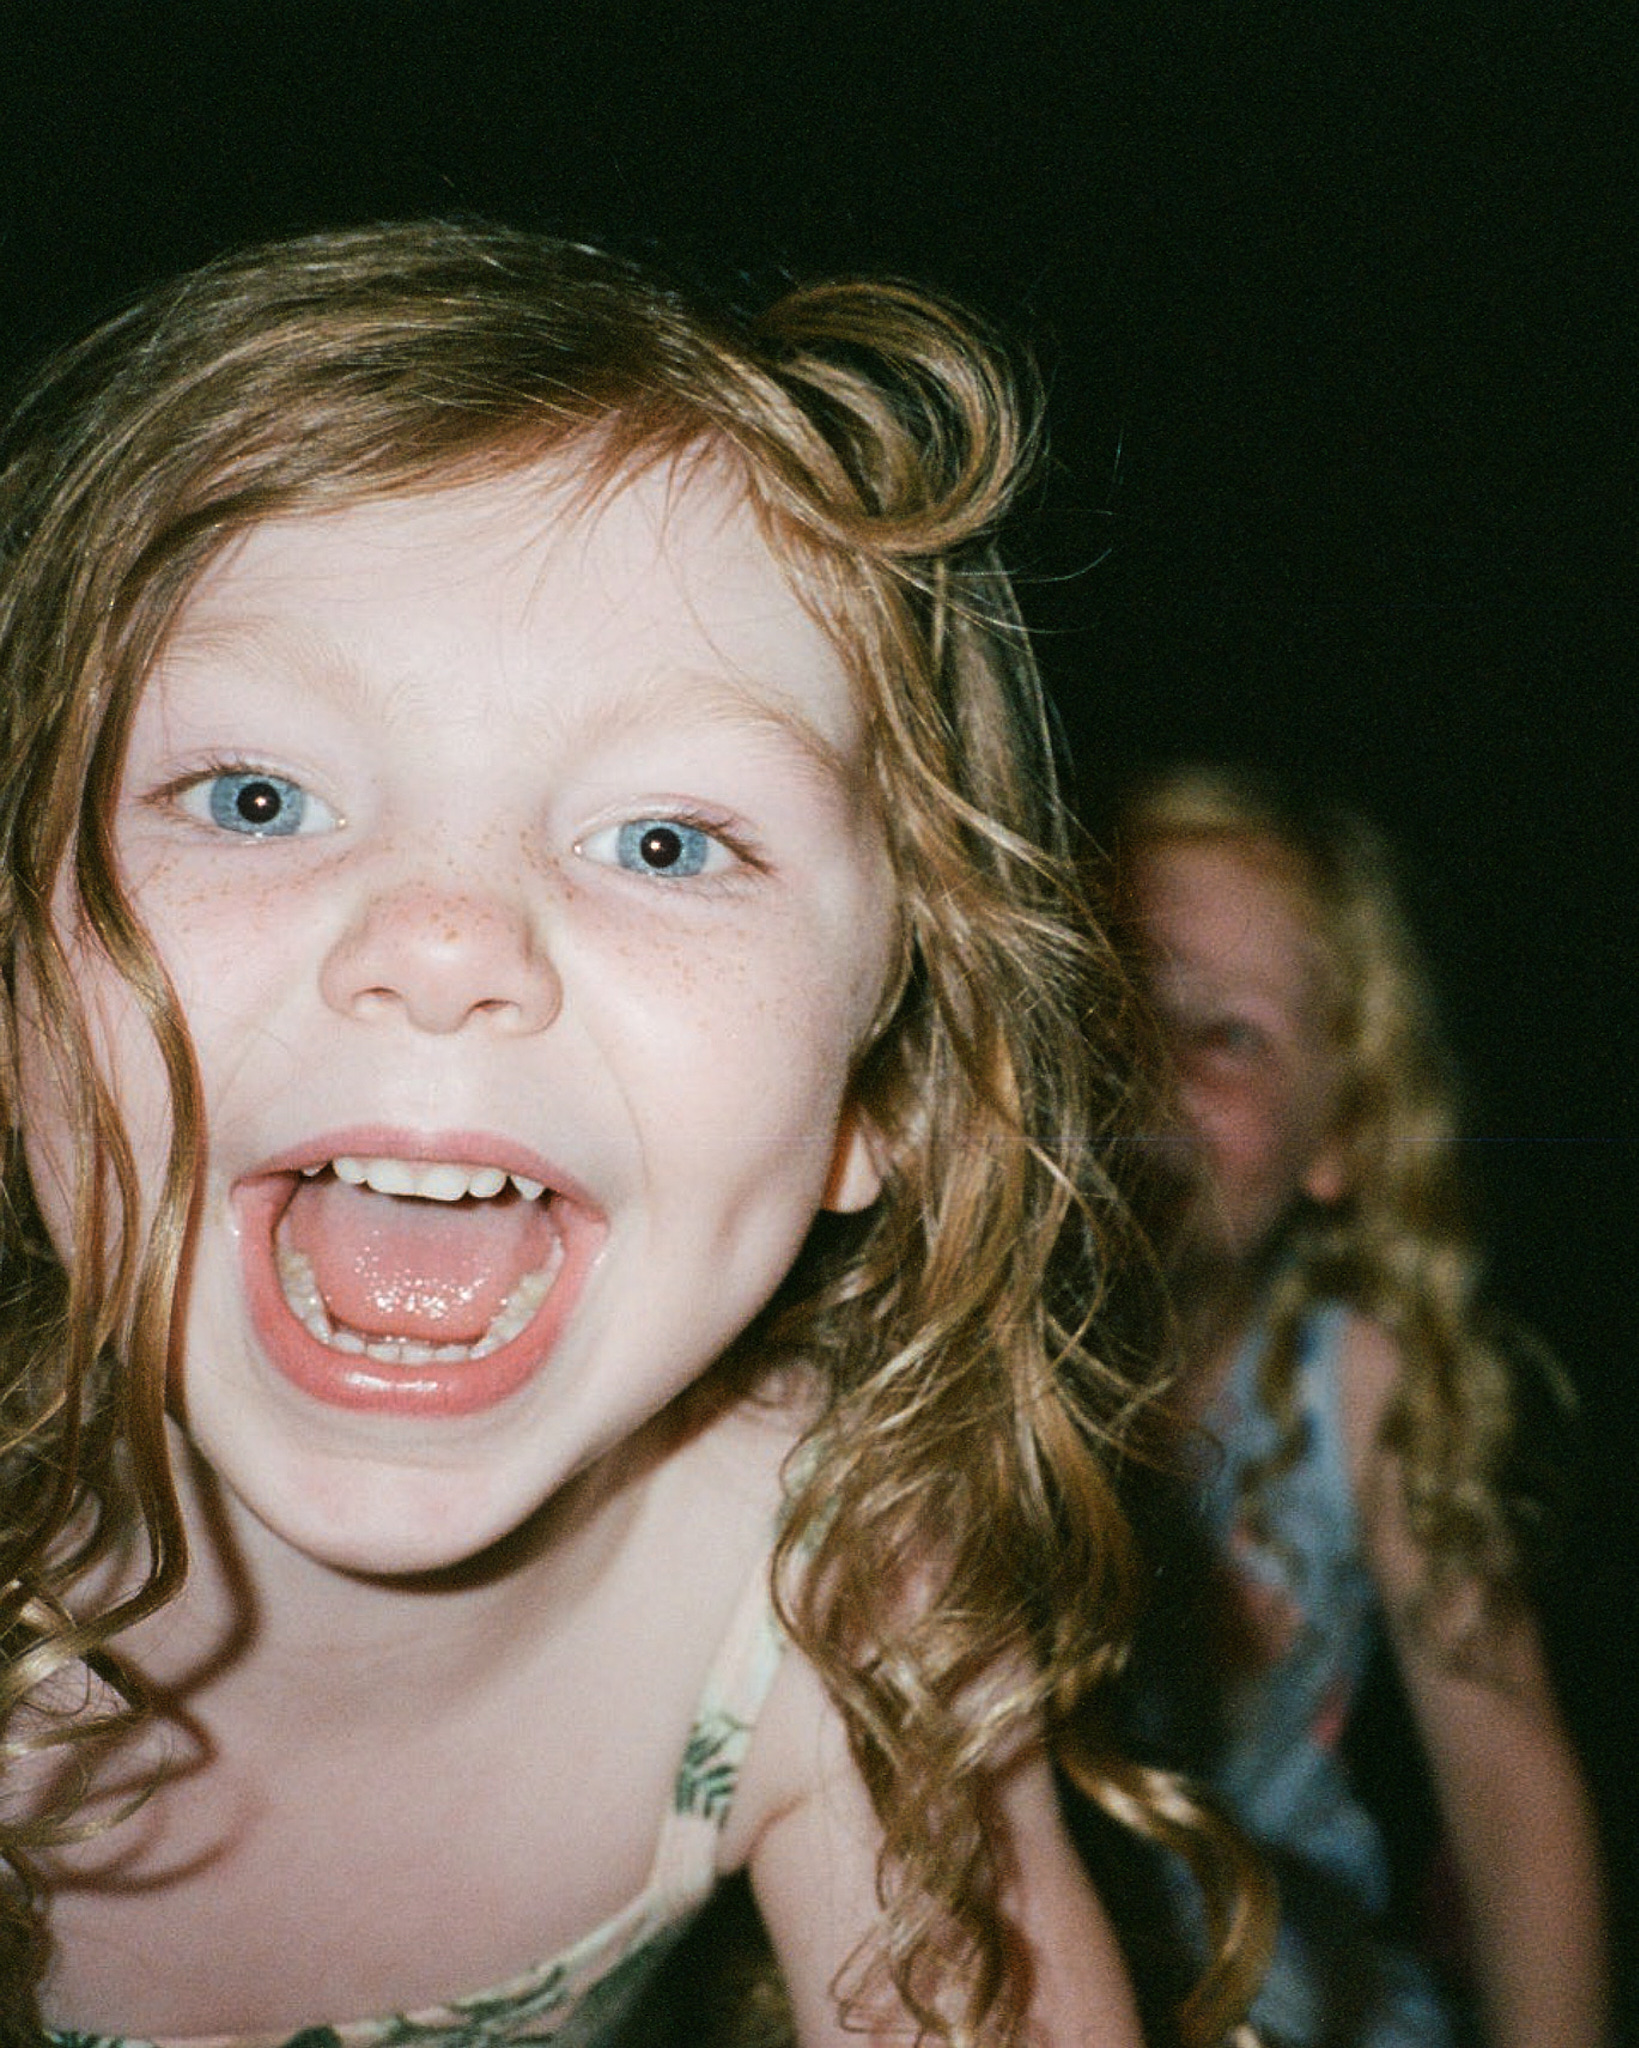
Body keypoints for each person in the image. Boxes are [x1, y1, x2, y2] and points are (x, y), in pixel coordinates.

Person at [0, 222, 1264, 2048]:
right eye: (256, 797)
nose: (443, 941)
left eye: (665, 843)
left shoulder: (833, 1590)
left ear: (887, 1093)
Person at [1109, 764, 1609, 2047]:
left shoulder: (1358, 1379)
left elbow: (1509, 1783)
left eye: (1229, 1034)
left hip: (1283, 1980)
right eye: (1108, 998)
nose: (1147, 1064)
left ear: (1338, 1139)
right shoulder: (935, 1362)